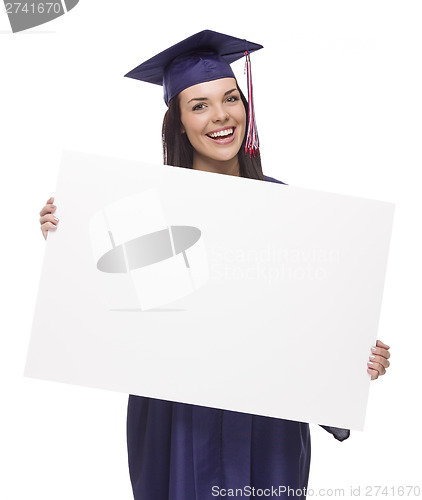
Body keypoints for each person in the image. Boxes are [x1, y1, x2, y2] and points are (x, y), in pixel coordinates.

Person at [38, 30, 391, 500]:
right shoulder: (142, 209)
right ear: (179, 123)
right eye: (199, 105)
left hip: (267, 420)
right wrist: (66, 242)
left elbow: (315, 325)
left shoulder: (290, 209)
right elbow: (110, 314)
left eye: (230, 99)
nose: (221, 116)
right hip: (177, 415)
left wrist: (354, 363)